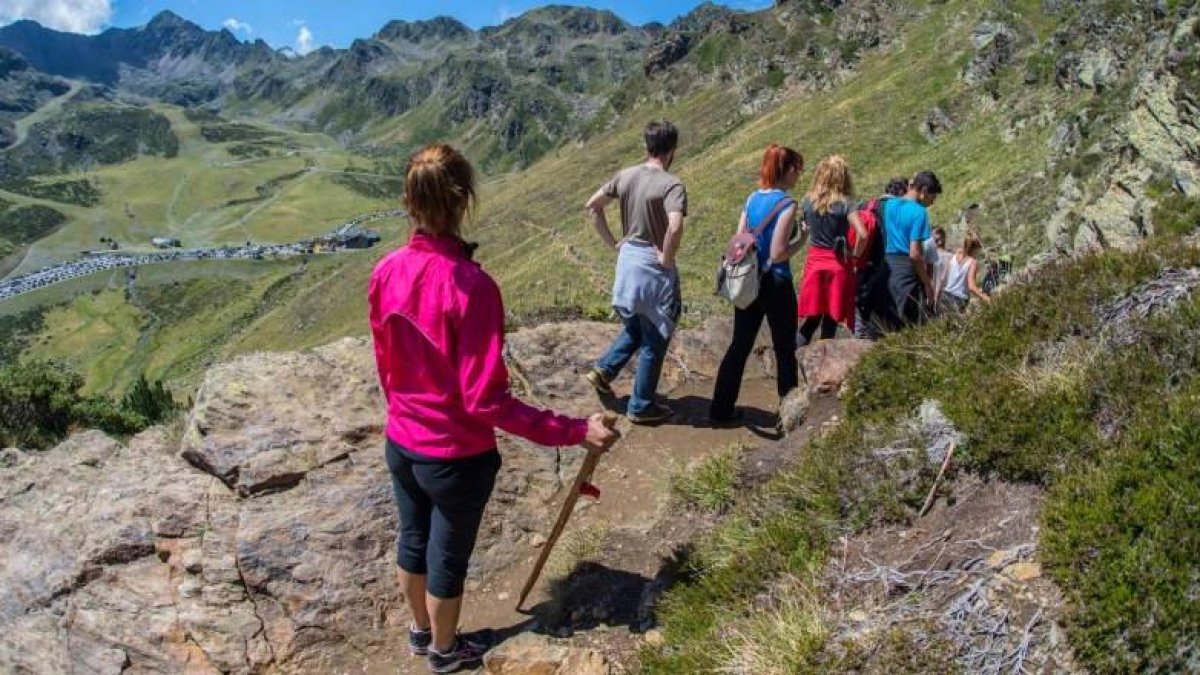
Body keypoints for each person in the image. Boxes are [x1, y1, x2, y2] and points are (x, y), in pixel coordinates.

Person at [368, 144, 618, 673]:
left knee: (412, 537)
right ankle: (443, 649)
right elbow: (486, 399)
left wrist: (405, 417)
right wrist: (574, 431)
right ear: (464, 201)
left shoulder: (385, 270)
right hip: (455, 454)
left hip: (402, 440)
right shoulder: (474, 288)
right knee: (447, 557)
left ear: (409, 201)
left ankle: (419, 633)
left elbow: (386, 363)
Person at [584, 120, 687, 424]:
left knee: (635, 326)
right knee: (655, 338)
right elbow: (676, 224)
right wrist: (667, 258)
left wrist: (614, 243)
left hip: (627, 262)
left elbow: (592, 205)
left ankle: (604, 370)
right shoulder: (671, 184)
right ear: (672, 151)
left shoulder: (626, 175)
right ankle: (641, 406)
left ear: (647, 147)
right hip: (653, 269)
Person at [709, 144, 805, 425]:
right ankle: (791, 415)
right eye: (797, 169)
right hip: (776, 282)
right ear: (786, 170)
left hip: (750, 282)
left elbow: (739, 240)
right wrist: (802, 240)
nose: (798, 175)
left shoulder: (751, 199)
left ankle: (720, 409)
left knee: (739, 345)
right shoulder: (787, 204)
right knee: (785, 348)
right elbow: (778, 253)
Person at [795, 154, 867, 345]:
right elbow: (863, 233)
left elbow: (804, 227)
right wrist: (855, 254)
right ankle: (823, 361)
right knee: (831, 320)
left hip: (815, 263)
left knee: (811, 320)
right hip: (838, 264)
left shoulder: (808, 201)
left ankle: (790, 359)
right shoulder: (846, 204)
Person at [883, 171, 942, 327]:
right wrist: (928, 284)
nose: (932, 202)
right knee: (910, 322)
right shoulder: (919, 212)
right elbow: (915, 253)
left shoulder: (889, 205)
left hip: (887, 267)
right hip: (906, 270)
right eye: (932, 197)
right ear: (923, 191)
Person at [853, 177, 907, 339]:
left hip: (860, 264)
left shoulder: (865, 205)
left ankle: (858, 342)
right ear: (901, 192)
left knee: (861, 312)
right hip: (883, 267)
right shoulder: (897, 209)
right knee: (881, 315)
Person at [940, 231, 990, 312]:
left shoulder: (955, 254)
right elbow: (971, 286)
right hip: (959, 299)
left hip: (945, 295)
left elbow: (946, 276)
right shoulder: (972, 262)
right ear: (975, 249)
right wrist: (985, 297)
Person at [927, 226, 954, 309]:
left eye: (939, 235)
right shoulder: (929, 254)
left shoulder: (951, 256)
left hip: (946, 292)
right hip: (931, 291)